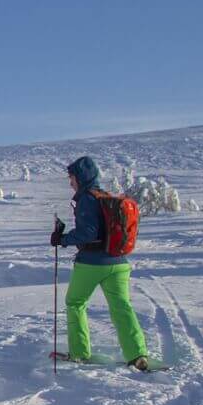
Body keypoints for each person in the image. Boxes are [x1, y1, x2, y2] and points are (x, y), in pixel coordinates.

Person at [51, 156, 151, 370]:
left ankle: (79, 352)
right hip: (120, 263)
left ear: (81, 177)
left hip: (92, 264)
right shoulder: (105, 196)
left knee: (75, 303)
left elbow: (88, 232)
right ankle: (137, 355)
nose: (70, 182)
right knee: (122, 307)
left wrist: (63, 239)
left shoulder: (87, 198)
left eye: (72, 177)